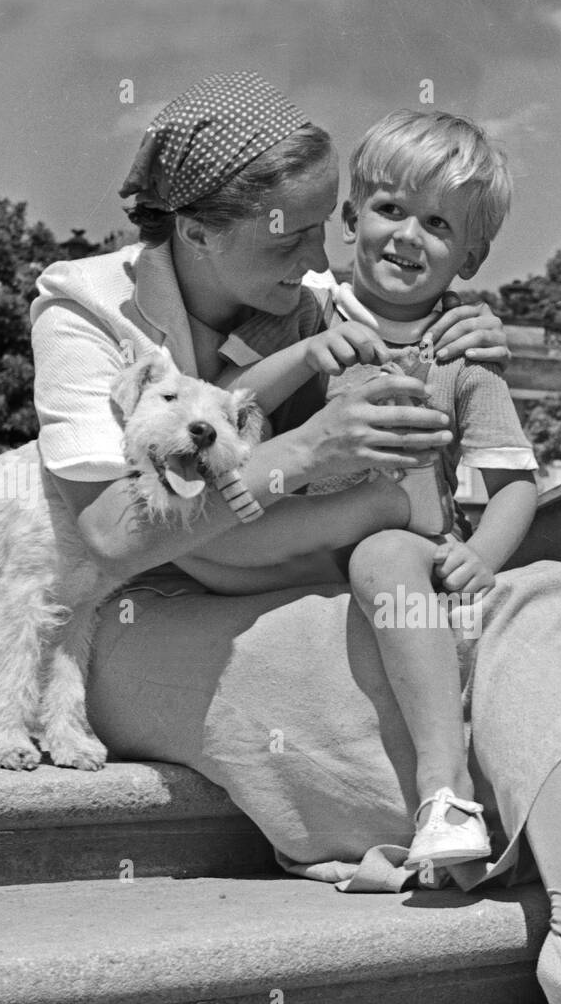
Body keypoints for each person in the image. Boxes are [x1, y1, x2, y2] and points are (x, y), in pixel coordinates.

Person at [31, 71, 561, 1004]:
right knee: (523, 627)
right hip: (153, 625)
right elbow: (104, 533)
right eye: (298, 235)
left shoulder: (310, 300)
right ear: (196, 229)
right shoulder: (86, 309)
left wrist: (479, 340)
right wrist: (313, 457)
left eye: (331, 227)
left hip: (304, 594)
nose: (325, 256)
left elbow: (423, 346)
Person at [198, 109, 538, 878]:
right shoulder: (298, 311)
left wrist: (484, 552)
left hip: (402, 543)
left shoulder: (463, 352)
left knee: (387, 553)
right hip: (298, 532)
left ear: (472, 255)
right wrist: (302, 357)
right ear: (352, 219)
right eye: (389, 210)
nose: (407, 235)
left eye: (438, 224)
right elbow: (217, 402)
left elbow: (514, 480)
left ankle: (443, 790)